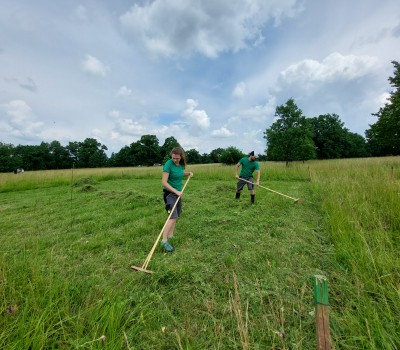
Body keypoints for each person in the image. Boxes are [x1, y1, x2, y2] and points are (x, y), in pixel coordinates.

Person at [161, 147, 193, 252]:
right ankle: (164, 240)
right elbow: (164, 182)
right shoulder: (168, 164)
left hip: (177, 194)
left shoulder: (181, 165)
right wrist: (176, 191)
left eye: (177, 158)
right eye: (173, 158)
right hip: (169, 194)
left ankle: (171, 235)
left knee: (177, 215)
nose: (175, 160)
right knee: (172, 217)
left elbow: (178, 174)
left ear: (181, 157)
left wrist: (187, 173)